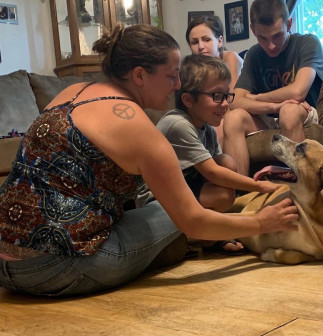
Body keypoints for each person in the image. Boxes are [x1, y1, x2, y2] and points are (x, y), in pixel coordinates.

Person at [0, 23, 298, 297]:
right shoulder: (137, 127)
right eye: (171, 75)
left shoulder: (71, 91)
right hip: (55, 268)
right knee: (177, 213)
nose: (178, 84)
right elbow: (192, 221)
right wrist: (261, 222)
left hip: (4, 263)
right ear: (140, 75)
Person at [136, 54, 281, 254]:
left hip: (184, 187)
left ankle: (207, 237)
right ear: (188, 99)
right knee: (222, 190)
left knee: (226, 163)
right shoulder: (178, 124)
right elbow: (213, 173)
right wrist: (258, 186)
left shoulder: (207, 129)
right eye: (217, 96)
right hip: (156, 198)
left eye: (227, 96)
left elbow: (221, 168)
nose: (225, 104)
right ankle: (203, 236)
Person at [223, 0, 323, 176]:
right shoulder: (254, 54)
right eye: (262, 38)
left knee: (288, 111)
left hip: (304, 111)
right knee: (233, 119)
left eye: (277, 36)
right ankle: (240, 189)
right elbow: (235, 101)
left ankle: (301, 183)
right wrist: (274, 106)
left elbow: (298, 92)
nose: (271, 45)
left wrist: (257, 97)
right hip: (270, 115)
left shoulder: (307, 43)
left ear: (289, 24)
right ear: (253, 30)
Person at [186, 15, 243, 147]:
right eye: (194, 42)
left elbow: (230, 102)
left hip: (241, 112)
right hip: (214, 113)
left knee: (217, 126)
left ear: (219, 41)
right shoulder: (195, 69)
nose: (200, 46)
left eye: (206, 40)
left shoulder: (231, 58)